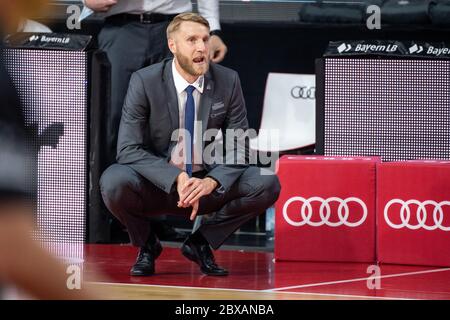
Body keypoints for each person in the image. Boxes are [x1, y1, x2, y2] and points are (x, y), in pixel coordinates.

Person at [100, 13, 281, 277]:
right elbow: (128, 148)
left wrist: (212, 181)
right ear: (172, 45)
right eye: (192, 40)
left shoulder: (228, 80)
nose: (201, 48)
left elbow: (239, 146)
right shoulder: (145, 81)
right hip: (158, 184)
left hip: (205, 185)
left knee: (266, 182)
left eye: (205, 40)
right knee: (113, 181)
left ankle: (200, 243)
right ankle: (147, 244)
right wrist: (176, 178)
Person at [82, 0, 228, 241]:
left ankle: (155, 216)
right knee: (113, 121)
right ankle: (112, 215)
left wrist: (212, 31)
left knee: (169, 122)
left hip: (173, 27)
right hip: (122, 29)